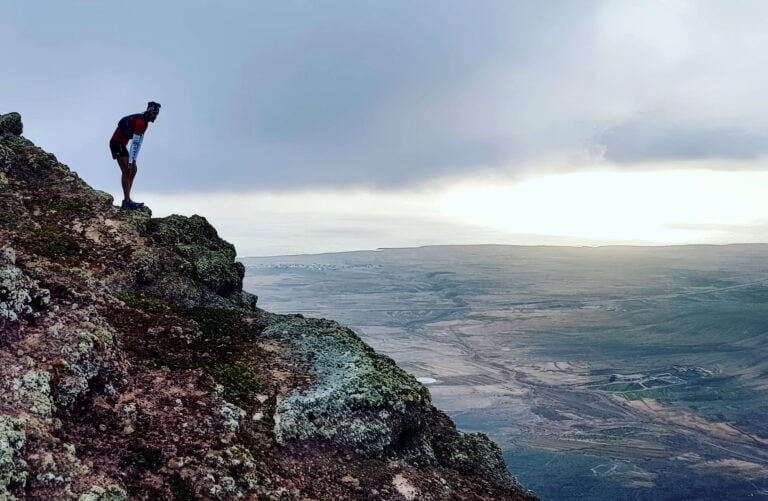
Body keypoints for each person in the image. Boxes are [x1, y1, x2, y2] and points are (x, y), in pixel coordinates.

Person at [109, 102, 161, 209]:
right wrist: (131, 162)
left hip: (121, 144)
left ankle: (127, 199)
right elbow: (134, 144)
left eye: (157, 114)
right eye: (154, 113)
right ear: (149, 112)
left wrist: (134, 161)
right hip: (116, 143)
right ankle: (127, 201)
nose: (156, 116)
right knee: (127, 170)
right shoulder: (140, 122)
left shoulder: (145, 124)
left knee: (133, 170)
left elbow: (139, 143)